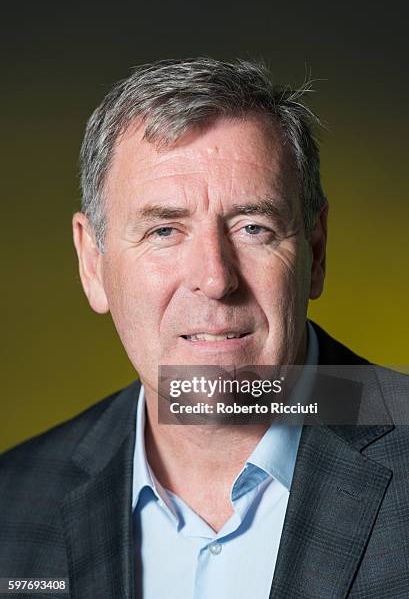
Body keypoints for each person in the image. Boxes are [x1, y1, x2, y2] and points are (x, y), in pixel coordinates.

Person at [0, 57, 408, 599]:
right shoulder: (13, 503)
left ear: (315, 249)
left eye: (253, 227)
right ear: (92, 264)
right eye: (164, 230)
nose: (215, 279)